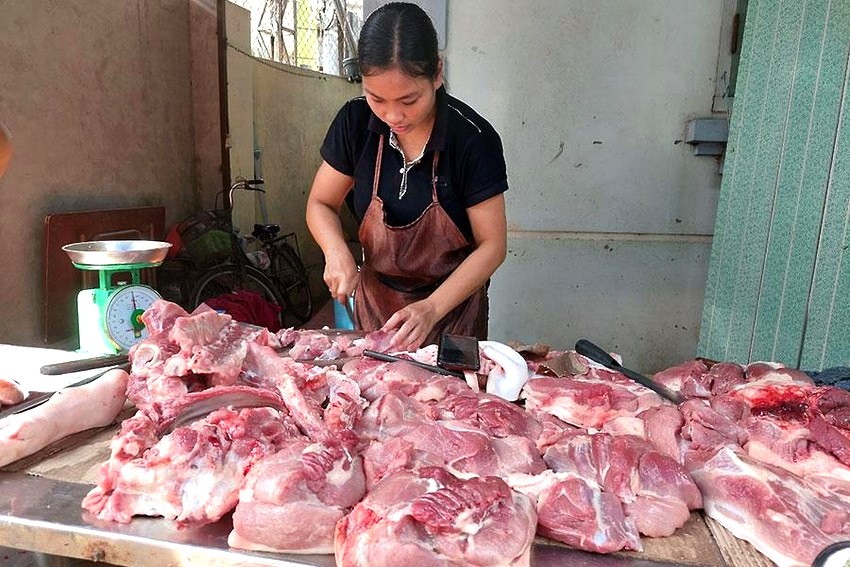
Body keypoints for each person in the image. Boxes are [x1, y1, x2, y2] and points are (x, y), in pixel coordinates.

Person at [306, 2, 508, 351]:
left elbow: (492, 246)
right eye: (376, 98)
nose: (393, 116)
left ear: (437, 74)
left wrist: (432, 308)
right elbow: (321, 203)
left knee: (449, 388)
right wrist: (335, 249)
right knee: (373, 384)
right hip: (375, 310)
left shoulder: (472, 139)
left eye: (409, 100)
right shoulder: (355, 123)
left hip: (453, 313)